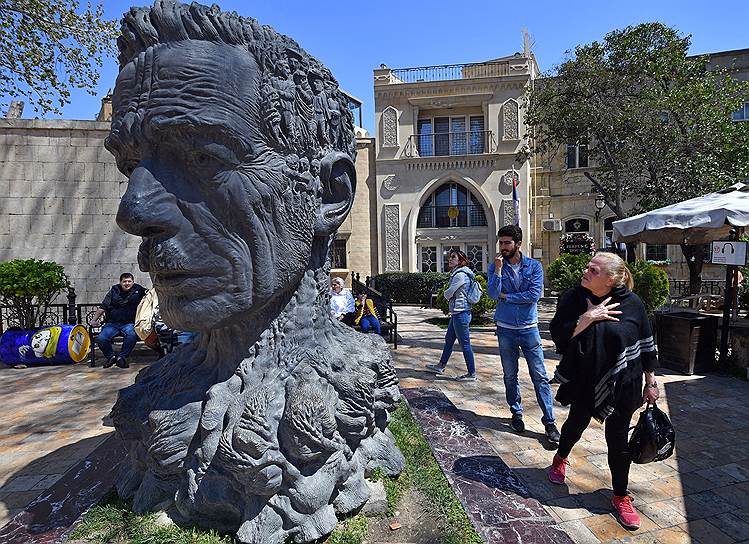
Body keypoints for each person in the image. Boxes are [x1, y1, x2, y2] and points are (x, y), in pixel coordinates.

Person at [548, 252, 659, 531]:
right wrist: (587, 317)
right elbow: (560, 336)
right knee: (575, 425)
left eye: (593, 269)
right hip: (587, 378)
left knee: (618, 440)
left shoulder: (632, 304)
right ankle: (560, 458)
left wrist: (651, 381)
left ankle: (621, 495)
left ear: (610, 279)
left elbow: (646, 342)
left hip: (626, 382)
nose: (585, 271)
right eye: (587, 266)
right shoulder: (574, 298)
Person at [488, 225, 560, 444]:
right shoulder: (495, 266)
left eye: (507, 243)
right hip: (506, 329)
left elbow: (534, 295)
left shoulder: (534, 267)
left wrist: (507, 297)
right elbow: (492, 294)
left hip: (529, 329)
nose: (503, 247)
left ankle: (549, 421)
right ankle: (516, 412)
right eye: (501, 242)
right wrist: (498, 271)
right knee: (510, 375)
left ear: (518, 244)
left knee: (539, 376)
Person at [426, 250, 477, 381]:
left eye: (453, 258)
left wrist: (445, 293)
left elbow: (448, 293)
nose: (450, 259)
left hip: (461, 313)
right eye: (450, 257)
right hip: (457, 313)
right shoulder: (459, 273)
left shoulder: (460, 275)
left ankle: (472, 373)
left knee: (465, 344)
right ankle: (441, 365)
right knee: (449, 340)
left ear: (460, 261)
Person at [88, 273, 146, 368]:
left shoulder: (139, 290)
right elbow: (103, 306)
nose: (127, 283)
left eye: (129, 281)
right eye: (124, 281)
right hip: (112, 323)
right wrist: (94, 320)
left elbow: (150, 298)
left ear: (133, 282)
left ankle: (122, 358)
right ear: (120, 282)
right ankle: (111, 357)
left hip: (130, 323)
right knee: (101, 338)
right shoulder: (114, 290)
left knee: (132, 335)